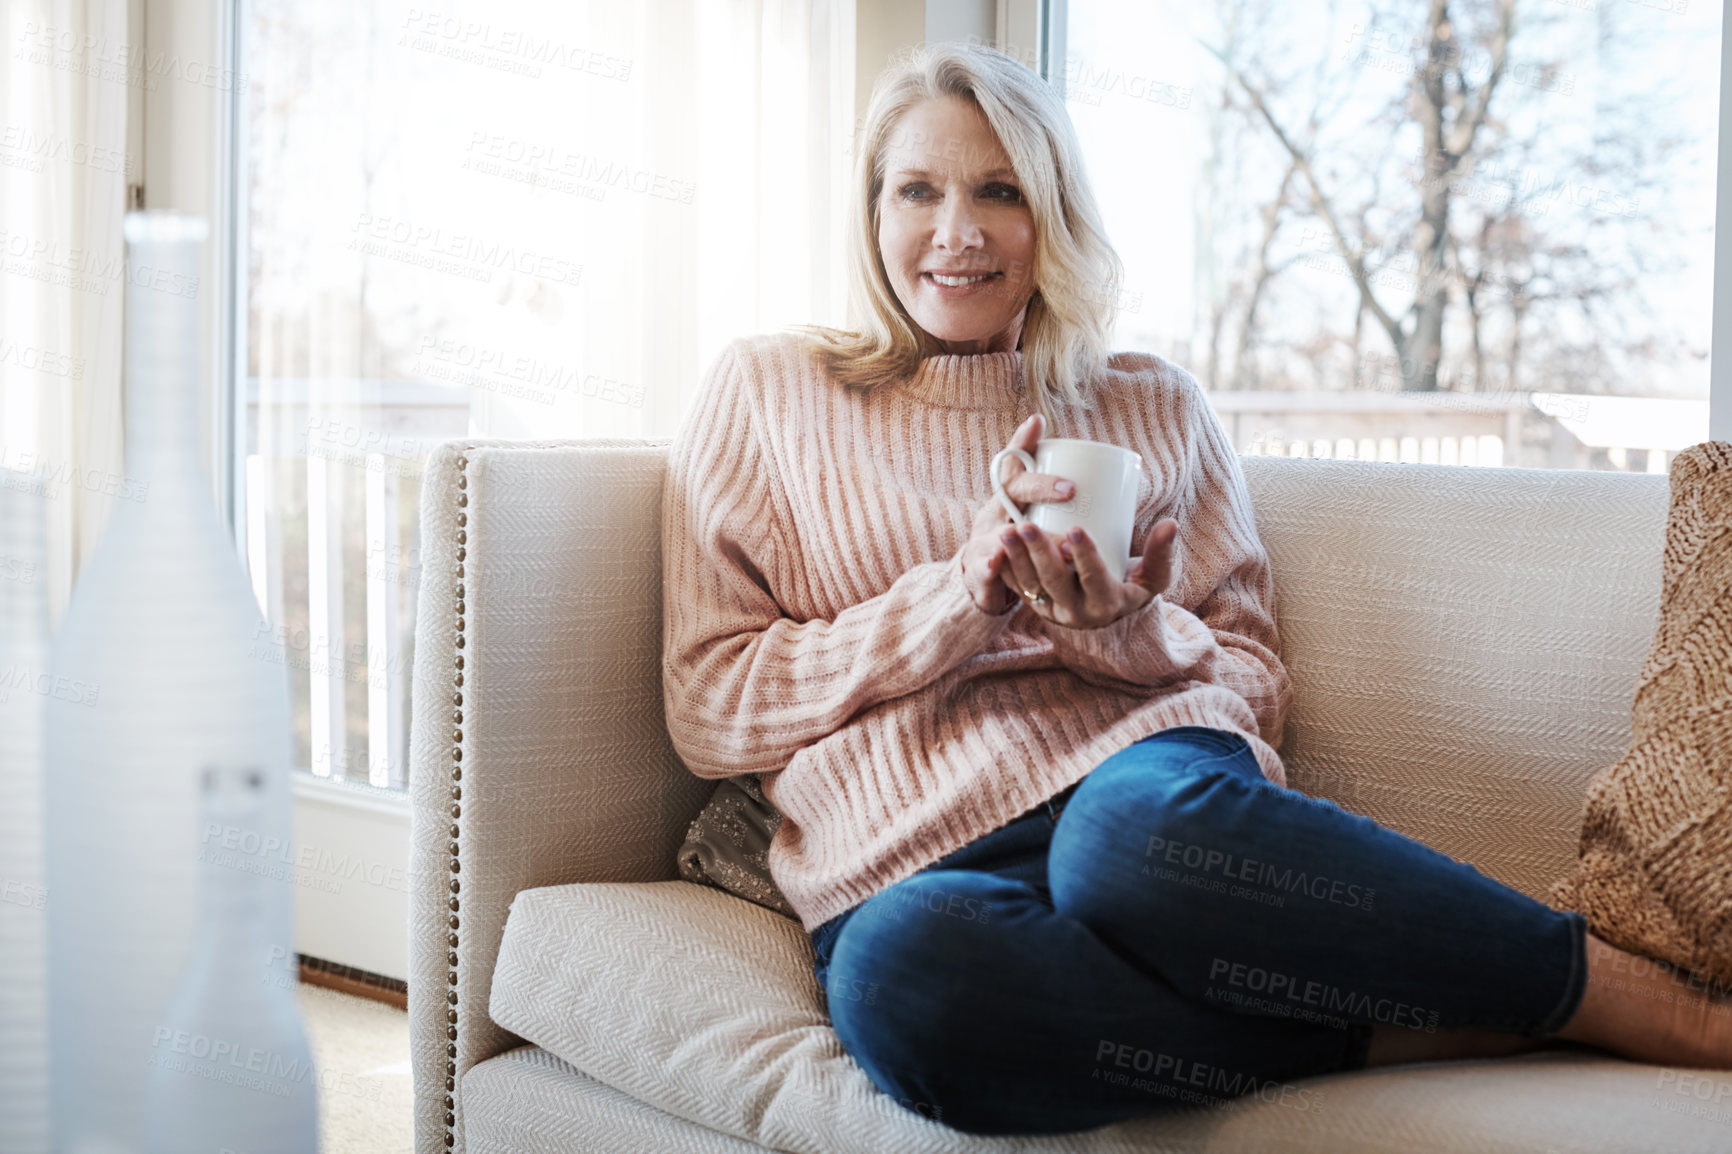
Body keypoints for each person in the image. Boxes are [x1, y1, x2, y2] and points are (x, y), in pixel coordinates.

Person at [659, 42, 1732, 1137]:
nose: (958, 232)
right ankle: (1423, 1023)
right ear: (871, 211)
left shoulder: (1153, 405)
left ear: (1052, 214)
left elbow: (1254, 681)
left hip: (1146, 794)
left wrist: (1117, 628)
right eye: (917, 191)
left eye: (1000, 191)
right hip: (905, 856)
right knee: (908, 981)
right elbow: (710, 700)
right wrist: (953, 601)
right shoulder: (765, 393)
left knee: (1121, 838)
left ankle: (1630, 993)